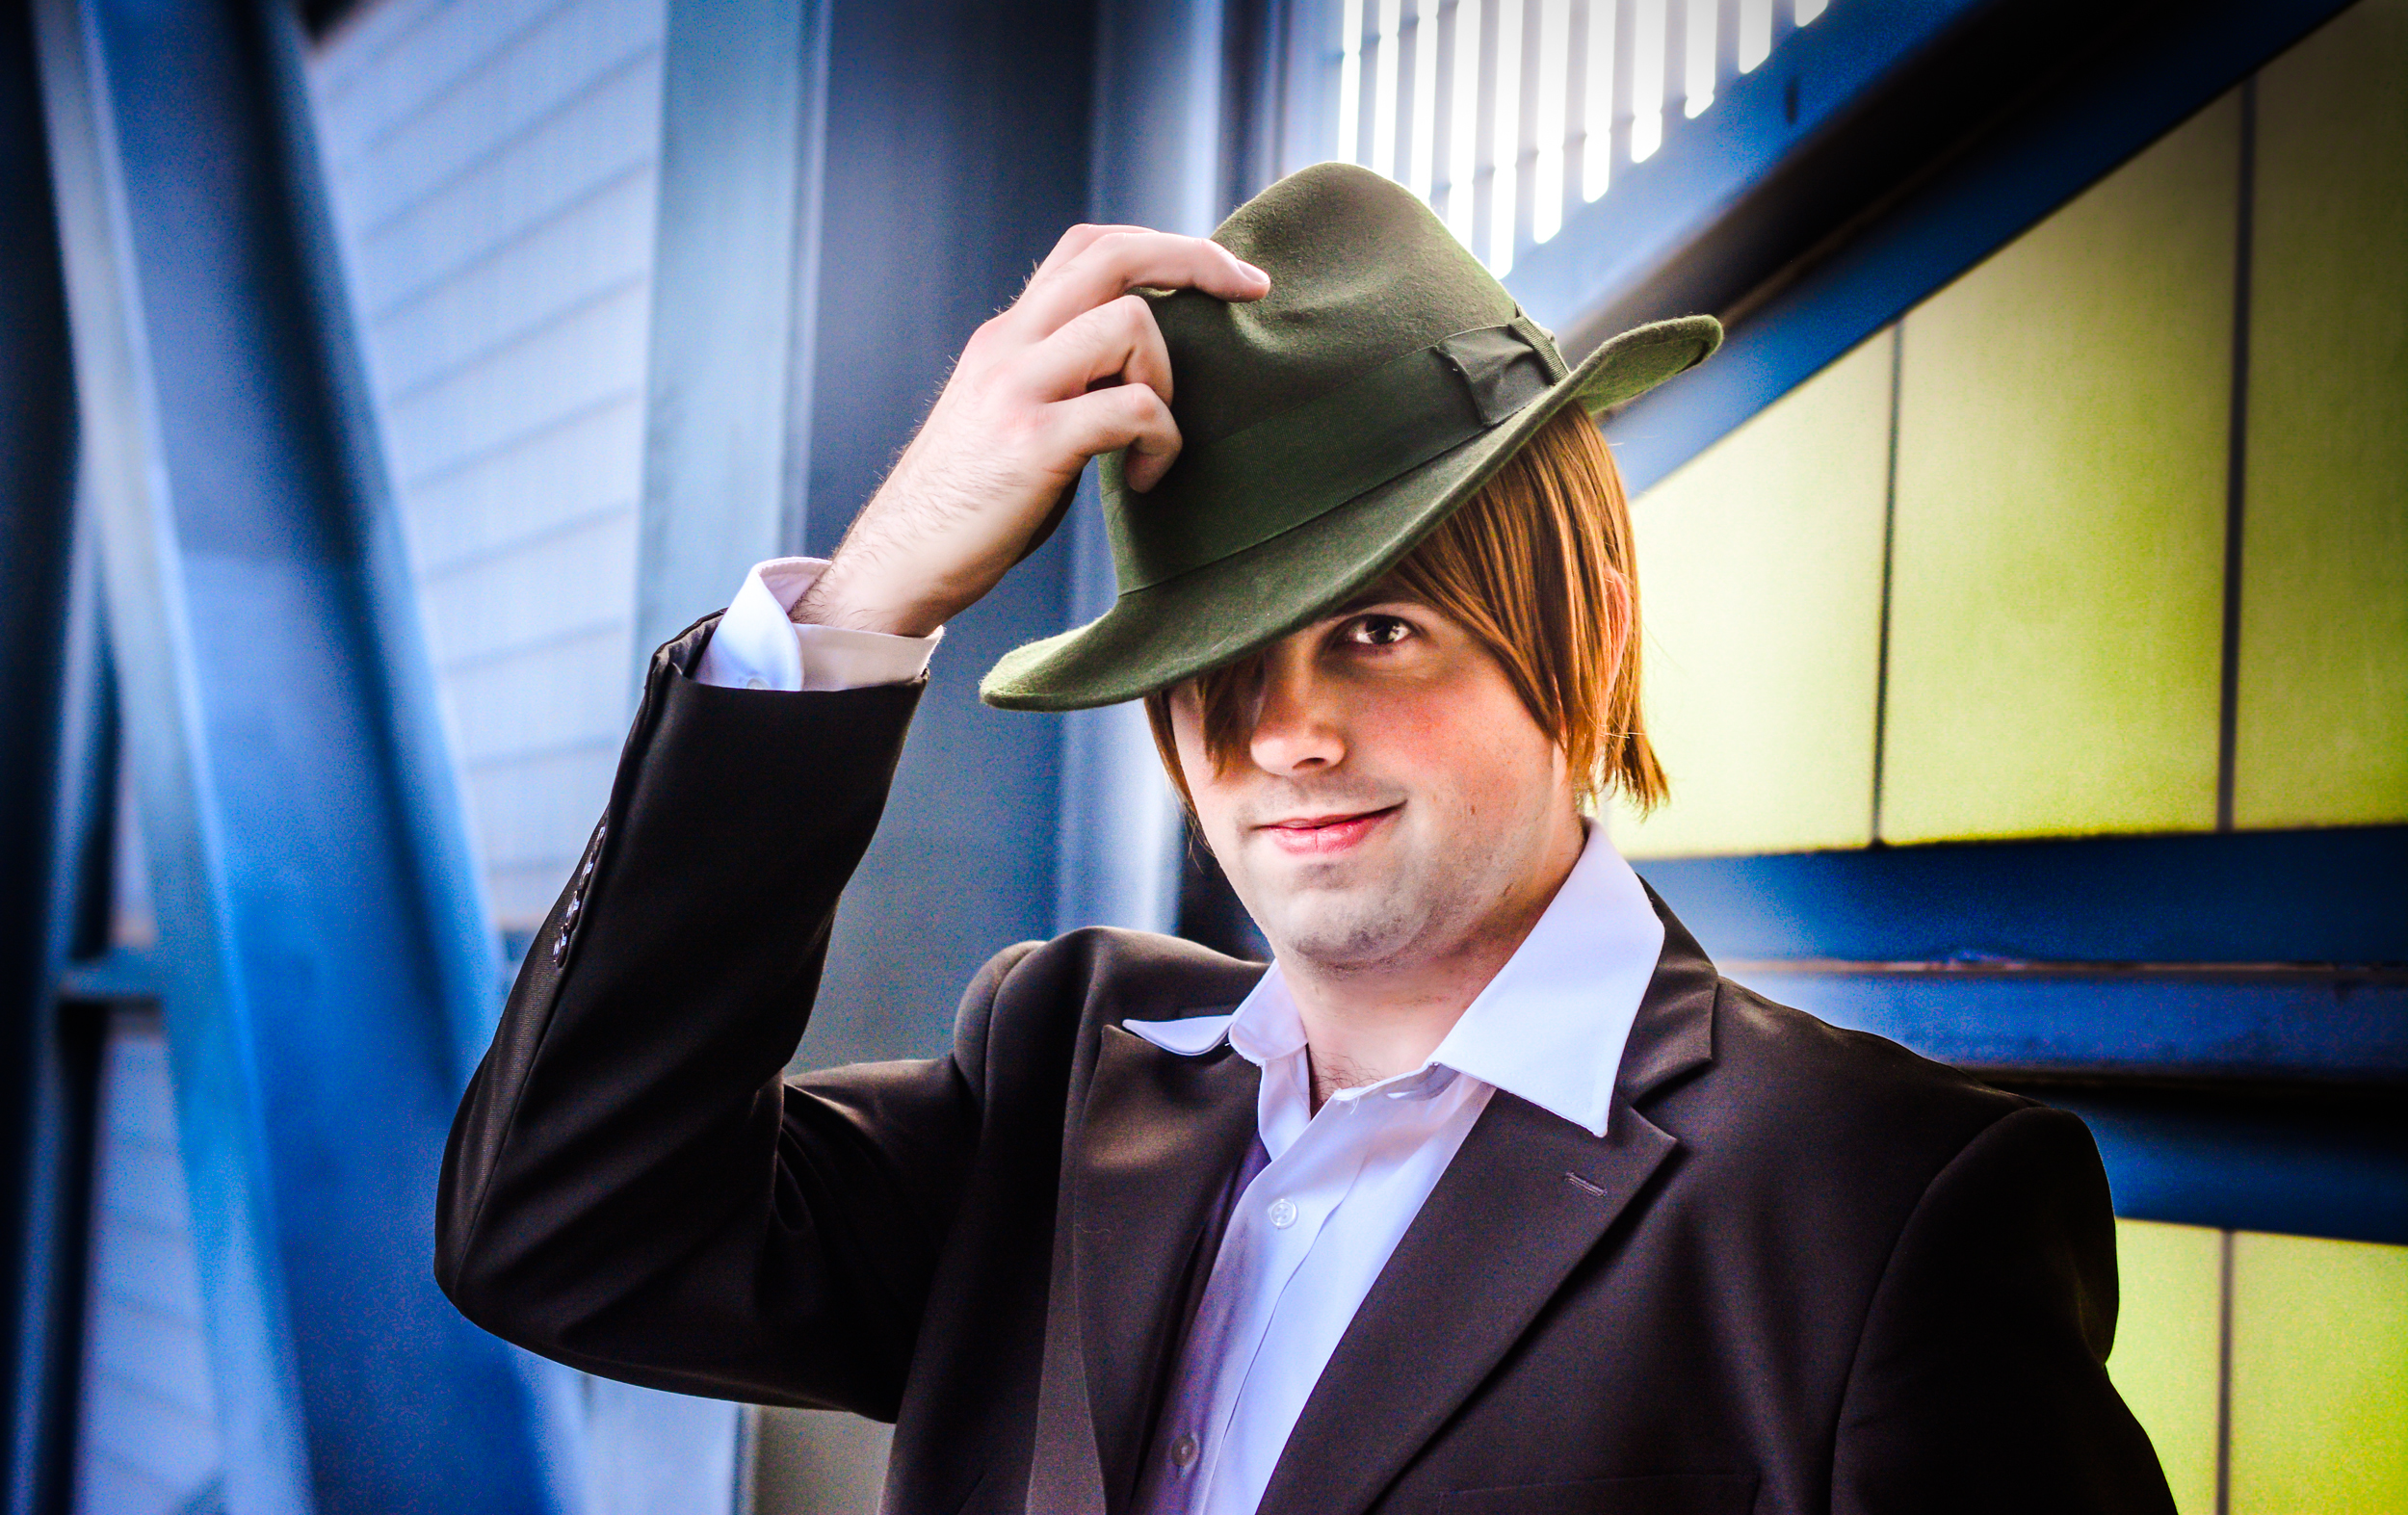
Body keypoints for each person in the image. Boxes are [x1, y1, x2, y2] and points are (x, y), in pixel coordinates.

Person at [436, 164, 2174, 1514]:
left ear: (1571, 621)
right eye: (1218, 660)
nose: (1281, 733)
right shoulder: (1059, 1075)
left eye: (1377, 629)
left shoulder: (1879, 1205)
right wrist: (870, 595)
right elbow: (562, 1227)